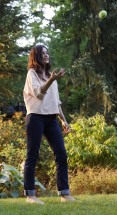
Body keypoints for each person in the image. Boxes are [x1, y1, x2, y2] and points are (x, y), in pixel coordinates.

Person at [23, 44, 75, 204]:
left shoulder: (49, 75)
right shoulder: (32, 73)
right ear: (36, 56)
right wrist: (52, 79)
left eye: (47, 53)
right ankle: (30, 195)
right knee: (32, 156)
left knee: (61, 154)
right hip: (36, 118)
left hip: (52, 118)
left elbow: (56, 102)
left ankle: (64, 194)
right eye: (43, 53)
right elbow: (39, 94)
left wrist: (63, 120)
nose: (47, 55)